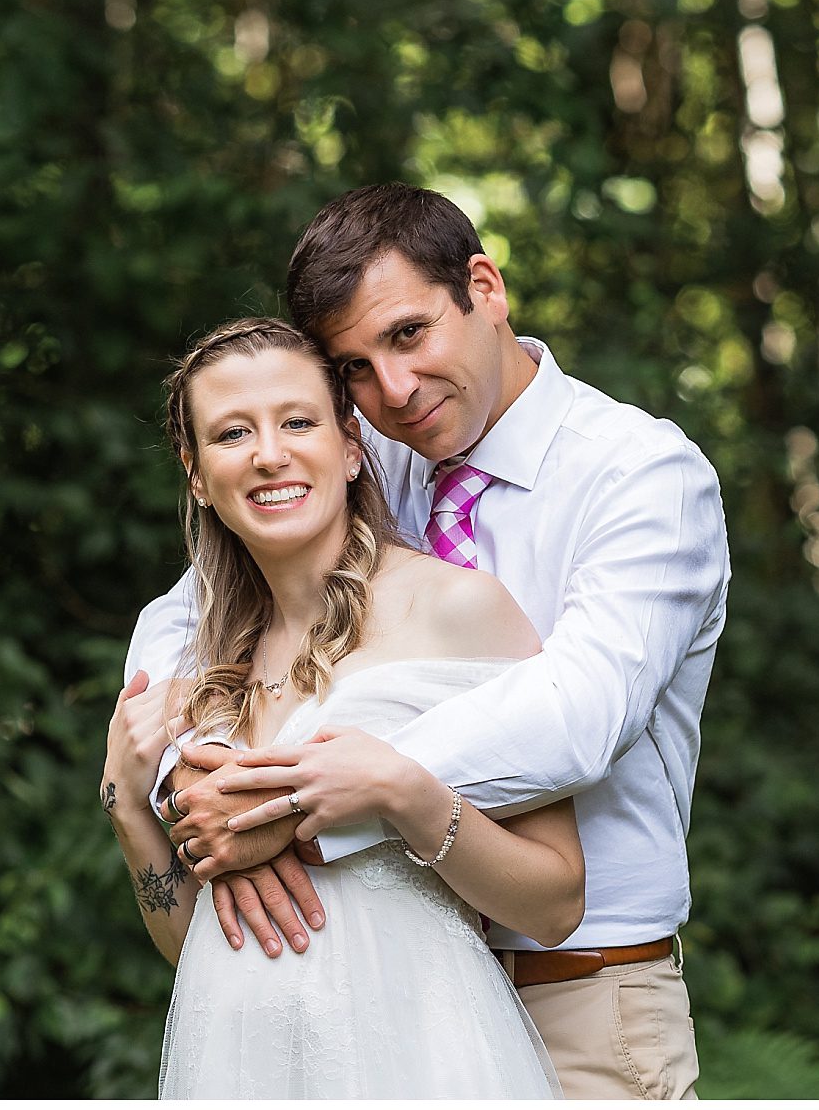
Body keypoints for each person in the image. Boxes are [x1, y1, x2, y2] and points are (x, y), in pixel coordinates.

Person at [129, 183, 732, 1099]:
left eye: (408, 335)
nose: (394, 389)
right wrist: (179, 762)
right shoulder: (373, 447)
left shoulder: (639, 474)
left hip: (579, 989)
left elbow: (577, 715)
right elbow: (194, 615)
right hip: (370, 996)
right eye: (356, 369)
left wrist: (297, 800)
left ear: (484, 288)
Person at [102, 316, 582, 1098]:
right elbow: (198, 942)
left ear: (351, 444)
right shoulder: (191, 668)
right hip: (238, 1060)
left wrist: (405, 793)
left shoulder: (457, 611)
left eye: (297, 422)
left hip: (418, 1056)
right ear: (196, 474)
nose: (269, 454)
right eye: (232, 433)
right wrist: (127, 806)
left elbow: (556, 900)